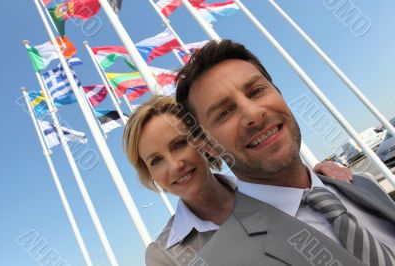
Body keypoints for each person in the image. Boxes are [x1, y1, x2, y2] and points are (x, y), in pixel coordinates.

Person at [175, 39, 395, 266]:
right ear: (207, 145)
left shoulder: (362, 185)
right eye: (224, 112)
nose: (253, 113)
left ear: (278, 93)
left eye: (257, 91)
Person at [122, 96, 353, 266]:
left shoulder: (275, 187)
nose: (174, 166)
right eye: (156, 160)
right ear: (149, 173)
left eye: (179, 144)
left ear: (202, 140)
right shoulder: (164, 256)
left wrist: (318, 179)